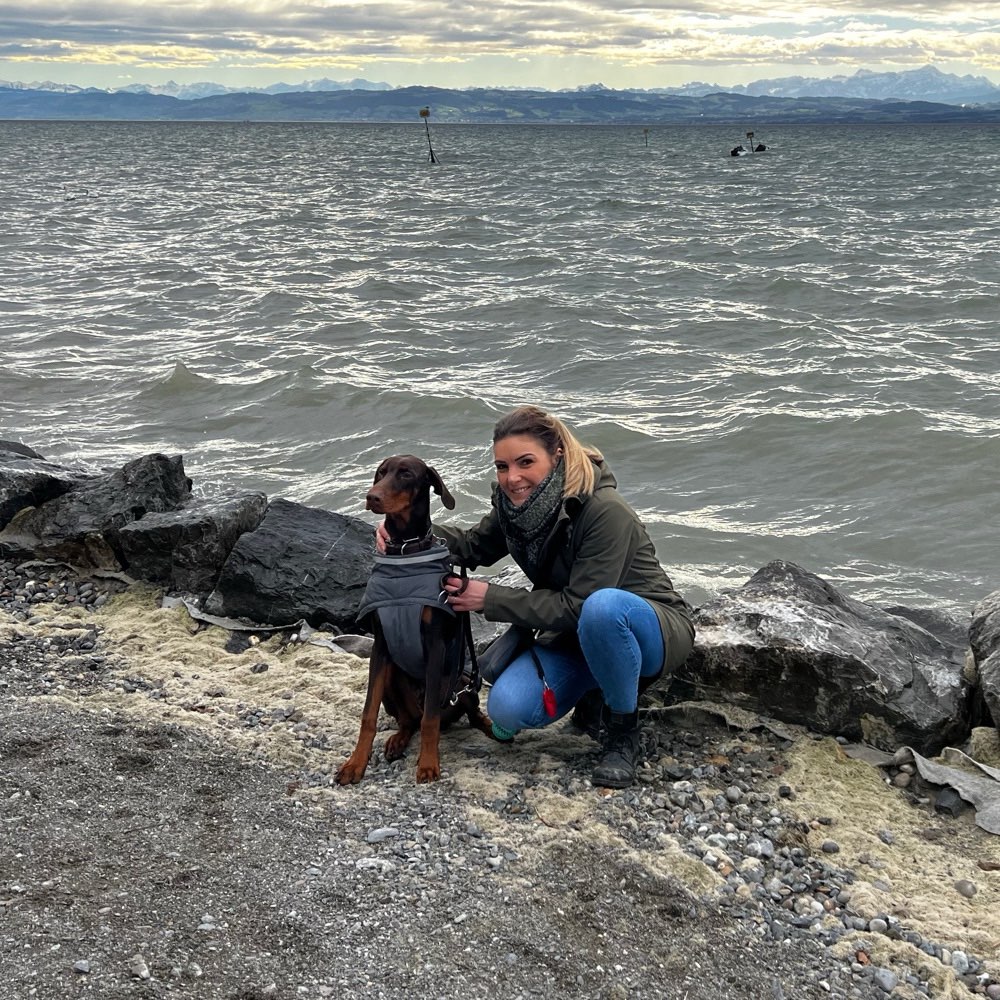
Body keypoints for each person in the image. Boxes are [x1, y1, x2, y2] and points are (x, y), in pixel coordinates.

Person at [378, 405, 694, 788]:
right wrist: (408, 535)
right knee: (507, 709)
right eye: (502, 466)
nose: (513, 478)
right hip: (574, 635)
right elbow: (474, 546)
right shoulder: (515, 508)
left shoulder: (604, 511)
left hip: (648, 628)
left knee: (602, 608)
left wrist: (488, 598)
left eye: (525, 462)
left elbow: (579, 605)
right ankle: (597, 691)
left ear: (557, 454)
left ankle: (621, 732)